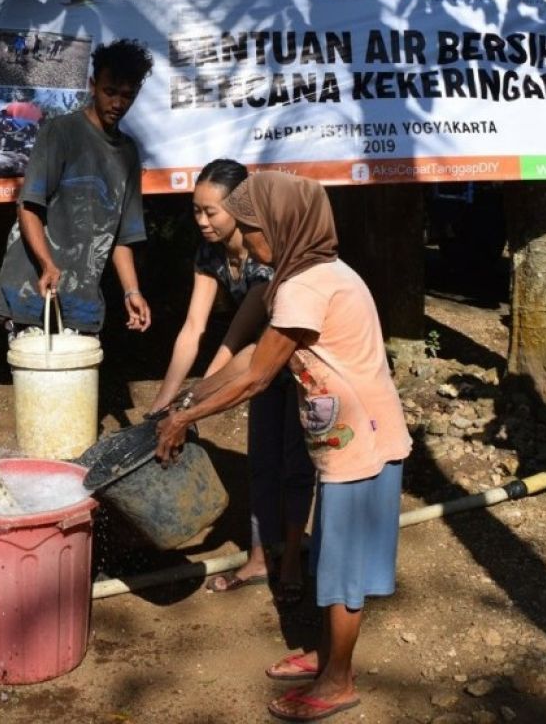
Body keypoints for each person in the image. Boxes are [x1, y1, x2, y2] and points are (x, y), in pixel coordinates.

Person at [155, 172, 411, 723]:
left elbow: (258, 377)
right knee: (338, 566)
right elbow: (253, 356)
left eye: (253, 227)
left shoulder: (304, 285)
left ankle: (338, 681)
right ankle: (326, 654)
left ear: (283, 225)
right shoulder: (308, 273)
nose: (247, 239)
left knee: (341, 572)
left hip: (359, 447)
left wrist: (188, 417)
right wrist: (190, 398)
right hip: (354, 436)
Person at [149, 159, 313, 603]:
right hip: (254, 365)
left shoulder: (267, 255)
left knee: (296, 467)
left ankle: (294, 557)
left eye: (211, 212)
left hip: (294, 367)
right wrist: (164, 400)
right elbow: (193, 328)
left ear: (241, 209)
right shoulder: (210, 252)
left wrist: (191, 401)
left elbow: (237, 342)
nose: (201, 221)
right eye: (196, 211)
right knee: (262, 463)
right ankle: (261, 559)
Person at [0, 39, 154, 336]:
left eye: (127, 95)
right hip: (32, 293)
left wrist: (132, 291)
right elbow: (28, 208)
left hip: (82, 301)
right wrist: (47, 265)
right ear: (93, 85)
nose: (118, 103)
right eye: (110, 92)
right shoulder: (59, 133)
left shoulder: (128, 152)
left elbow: (122, 236)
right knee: (38, 381)